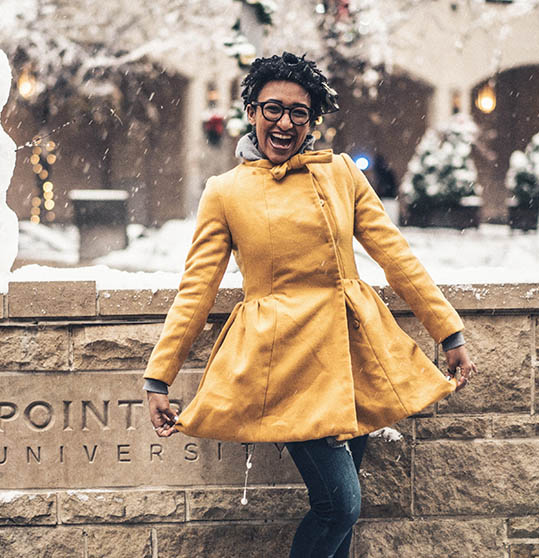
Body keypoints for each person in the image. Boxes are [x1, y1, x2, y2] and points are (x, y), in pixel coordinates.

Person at [142, 52, 477, 558]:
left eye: (300, 112)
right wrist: (158, 376)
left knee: (341, 510)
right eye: (272, 108)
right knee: (340, 507)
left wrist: (447, 331)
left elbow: (395, 255)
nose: (285, 122)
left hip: (351, 354)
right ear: (251, 112)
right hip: (286, 364)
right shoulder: (225, 192)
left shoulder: (341, 174)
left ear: (313, 120)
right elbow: (197, 289)